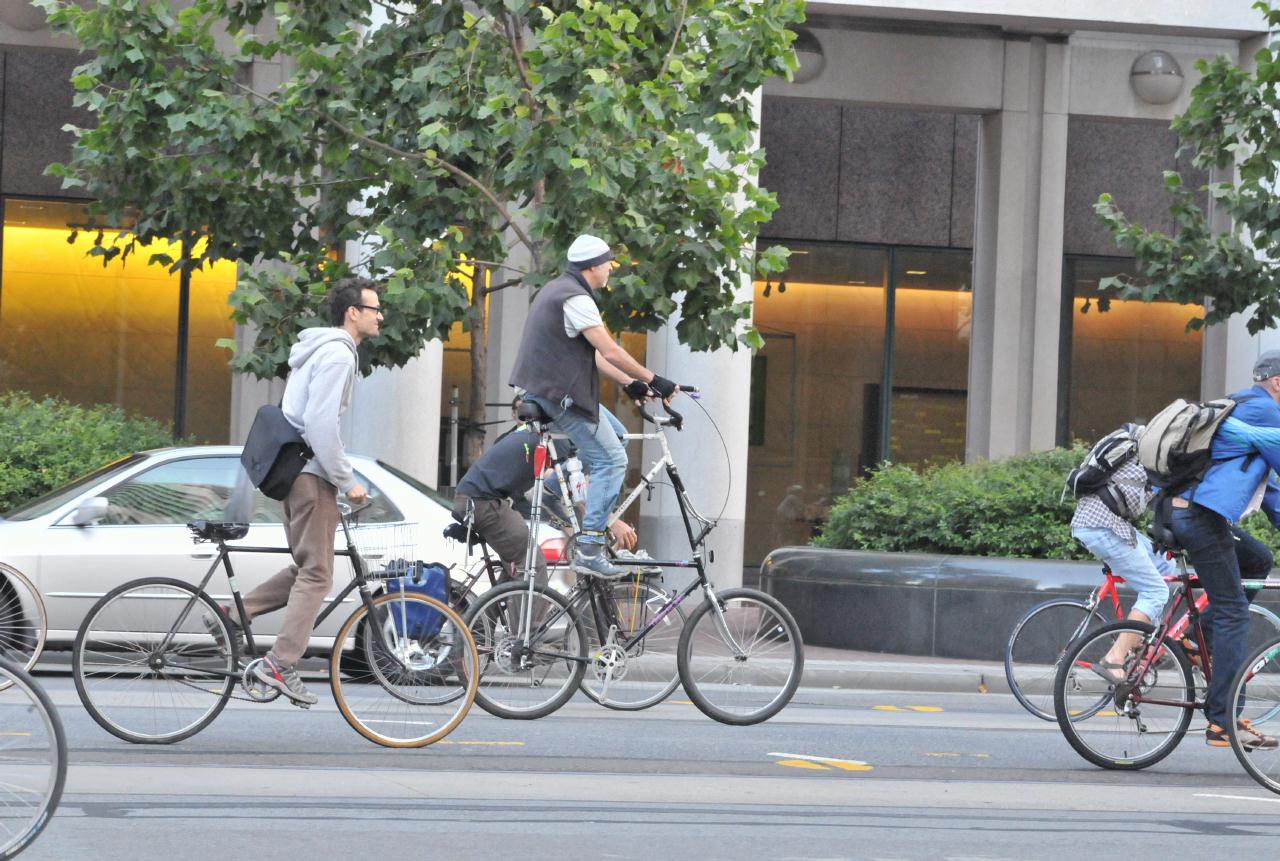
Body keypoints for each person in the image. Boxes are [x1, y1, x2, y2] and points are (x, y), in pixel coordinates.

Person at [213, 276, 380, 707]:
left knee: (307, 565)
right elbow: (321, 426)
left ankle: (236, 613)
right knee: (318, 574)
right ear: (353, 313)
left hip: (292, 472)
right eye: (375, 308)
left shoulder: (316, 349)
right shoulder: (339, 356)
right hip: (310, 474)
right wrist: (348, 481)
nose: (381, 316)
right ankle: (280, 663)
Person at [508, 234, 676, 578]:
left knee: (617, 435)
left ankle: (558, 486)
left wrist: (632, 383)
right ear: (594, 267)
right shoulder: (576, 299)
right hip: (557, 394)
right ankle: (590, 547)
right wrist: (656, 379)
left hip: (547, 388)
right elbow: (611, 350)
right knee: (612, 460)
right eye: (609, 264)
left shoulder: (558, 290)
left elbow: (596, 356)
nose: (611, 269)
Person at [1167, 349, 1280, 750]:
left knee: (1258, 559)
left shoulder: (1241, 404)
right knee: (1235, 613)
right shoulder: (1266, 414)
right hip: (1199, 517)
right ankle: (1221, 720)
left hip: (1193, 513)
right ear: (1278, 383)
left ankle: (1200, 637)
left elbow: (1273, 496)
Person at [451, 426, 637, 585]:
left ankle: (481, 623)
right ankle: (528, 628)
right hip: (483, 502)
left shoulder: (535, 430)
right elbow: (569, 484)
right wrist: (611, 521)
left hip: (480, 500)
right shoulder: (558, 437)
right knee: (532, 564)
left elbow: (568, 484)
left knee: (516, 566)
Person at [1069, 449, 1173, 674]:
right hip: (1104, 527)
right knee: (1156, 592)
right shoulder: (1159, 456)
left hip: (1096, 522)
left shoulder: (1140, 445)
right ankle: (1115, 658)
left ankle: (1141, 638)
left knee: (1165, 562)